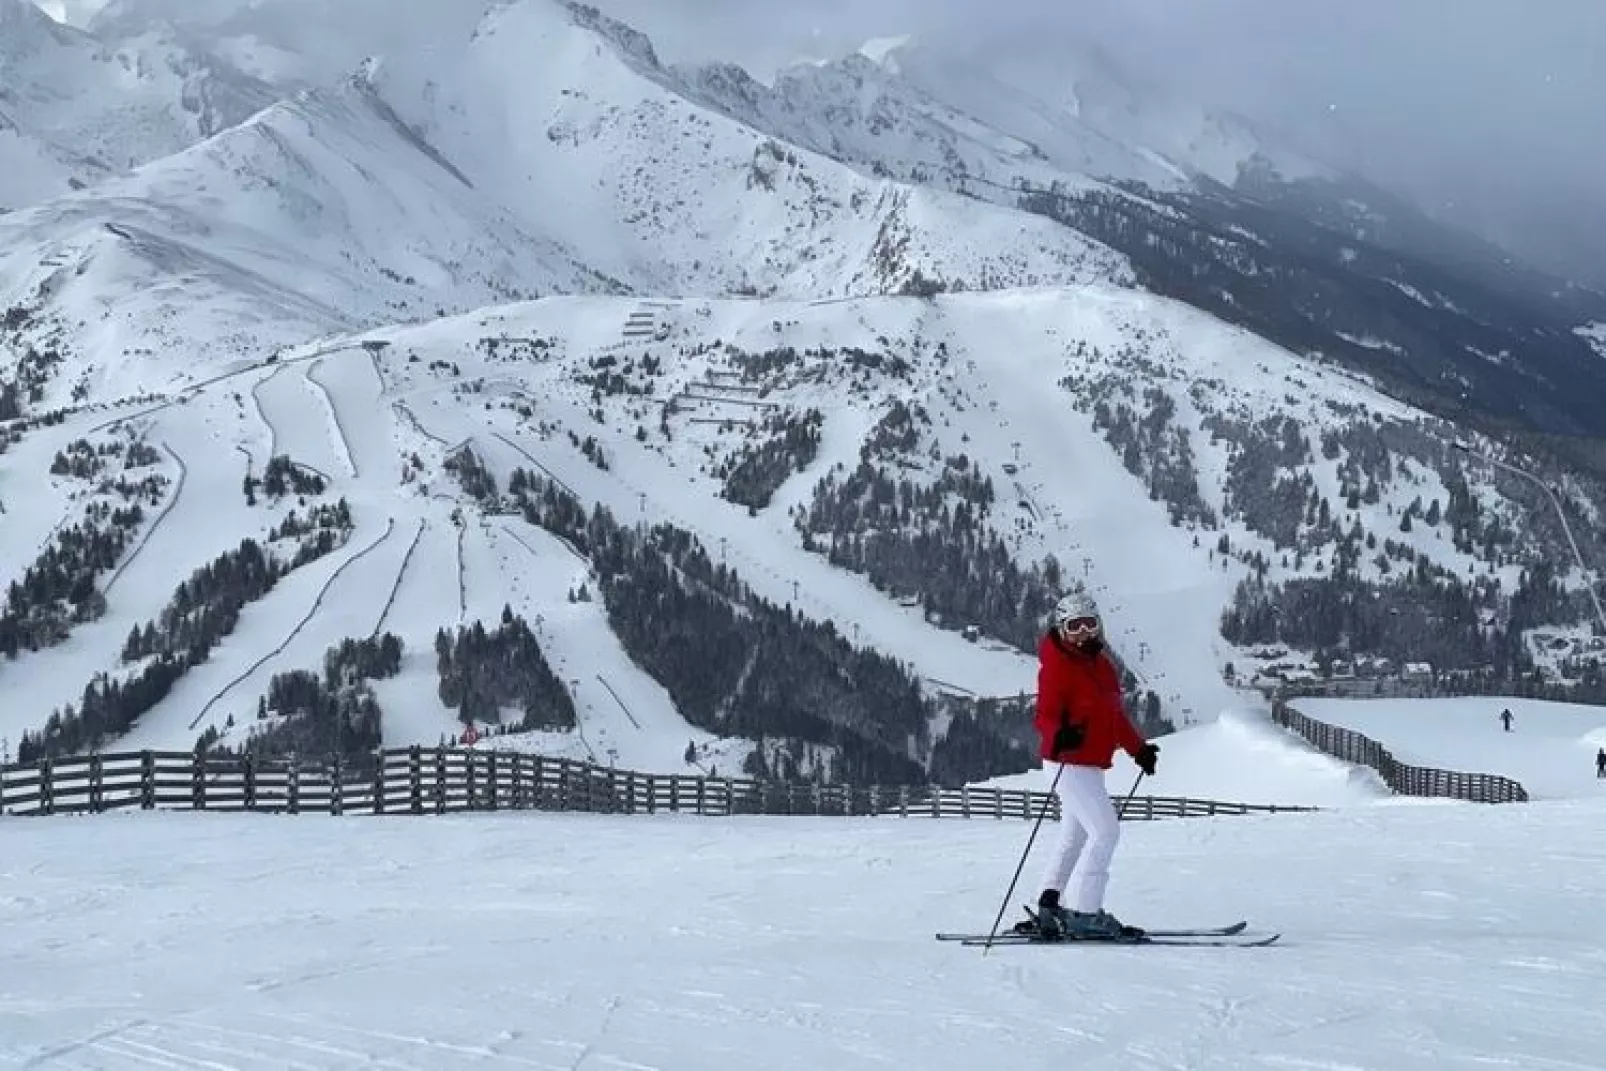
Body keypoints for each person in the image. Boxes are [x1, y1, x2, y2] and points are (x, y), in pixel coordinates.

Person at [1031, 590, 1159, 940]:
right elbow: (1044, 715)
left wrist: (1139, 750)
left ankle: (1050, 902)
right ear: (1062, 629)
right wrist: (1059, 735)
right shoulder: (1058, 665)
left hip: (1089, 765)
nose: (1084, 632)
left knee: (1075, 834)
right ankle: (1084, 912)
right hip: (1066, 763)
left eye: (1090, 623)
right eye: (1075, 626)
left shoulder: (1102, 666)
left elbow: (1114, 717)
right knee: (1106, 831)